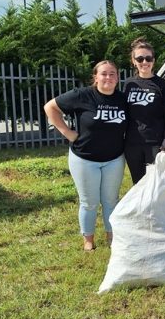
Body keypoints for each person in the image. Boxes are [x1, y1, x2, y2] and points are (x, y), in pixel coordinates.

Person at [43, 60, 127, 251]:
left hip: (114, 158)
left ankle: (112, 237)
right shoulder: (82, 95)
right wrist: (67, 132)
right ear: (95, 77)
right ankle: (88, 240)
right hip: (84, 159)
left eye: (112, 74)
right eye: (104, 74)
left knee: (111, 200)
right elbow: (50, 107)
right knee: (89, 202)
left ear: (117, 78)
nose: (108, 77)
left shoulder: (122, 99)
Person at [123, 37, 165, 184]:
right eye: (140, 59)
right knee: (138, 184)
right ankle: (141, 208)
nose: (144, 62)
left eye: (148, 58)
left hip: (155, 144)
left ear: (153, 60)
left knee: (155, 184)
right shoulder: (128, 84)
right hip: (132, 144)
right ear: (134, 61)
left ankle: (156, 208)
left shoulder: (163, 85)